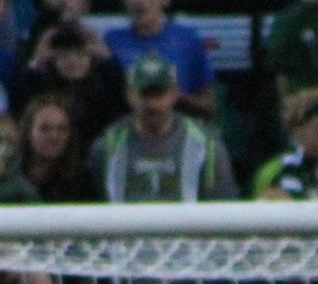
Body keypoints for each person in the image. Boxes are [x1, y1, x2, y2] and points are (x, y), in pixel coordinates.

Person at [91, 55, 238, 203]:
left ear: (174, 94)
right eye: (144, 95)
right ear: (129, 95)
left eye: (159, 94)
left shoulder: (206, 145)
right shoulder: (107, 147)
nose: (152, 104)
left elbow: (224, 207)